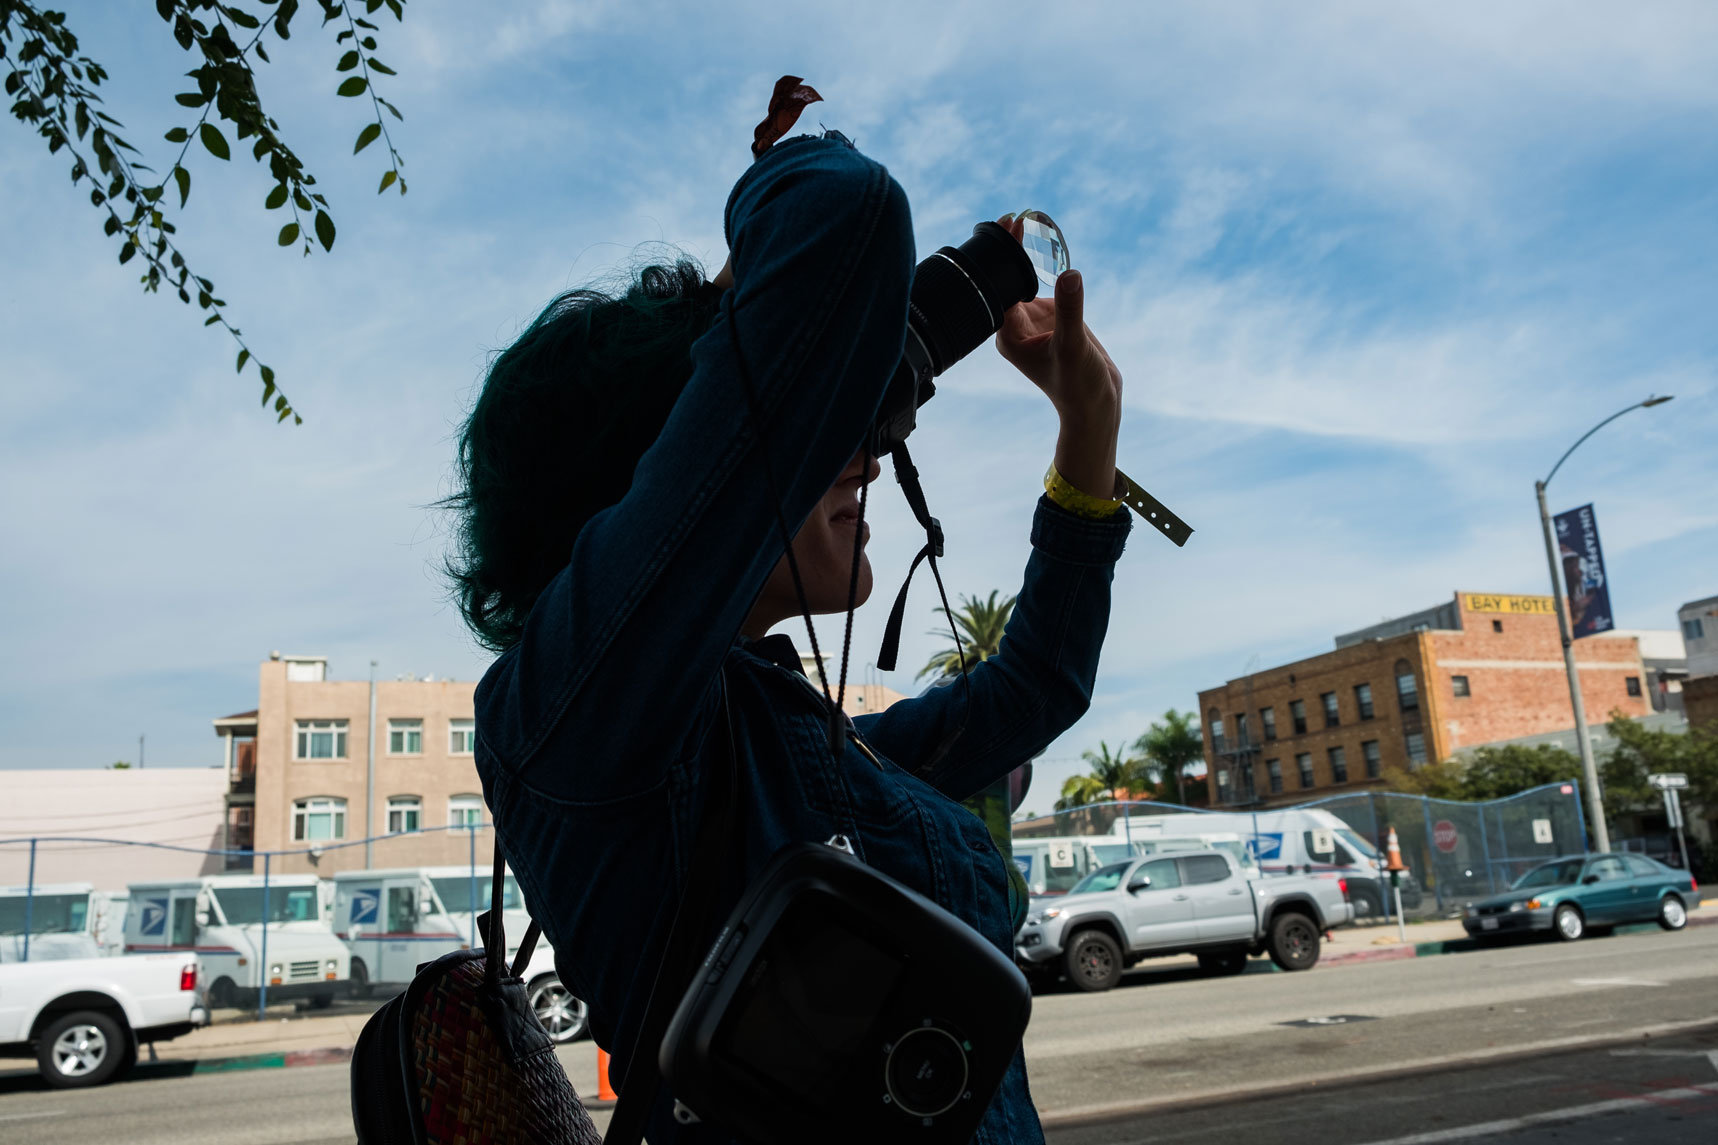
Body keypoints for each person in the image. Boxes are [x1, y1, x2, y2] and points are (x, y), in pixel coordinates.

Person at [448, 129, 1131, 1143]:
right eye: (819, 431)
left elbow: (1028, 691)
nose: (859, 457)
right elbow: (843, 215)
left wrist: (1087, 440)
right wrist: (763, 214)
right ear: (665, 484)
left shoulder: (779, 730)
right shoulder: (579, 717)